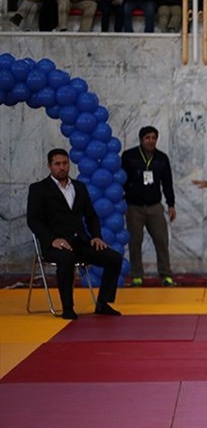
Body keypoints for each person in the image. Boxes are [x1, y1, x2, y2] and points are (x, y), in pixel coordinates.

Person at [26, 148, 123, 320]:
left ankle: (103, 303)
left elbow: (91, 215)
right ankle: (68, 307)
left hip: (80, 243)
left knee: (114, 258)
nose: (62, 167)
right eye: (57, 164)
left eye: (65, 163)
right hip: (54, 245)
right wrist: (52, 239)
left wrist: (96, 236)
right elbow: (33, 220)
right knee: (67, 259)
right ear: (50, 166)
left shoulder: (79, 187)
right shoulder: (39, 189)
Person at [121, 126, 177, 287]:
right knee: (135, 242)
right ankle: (137, 275)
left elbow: (167, 183)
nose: (151, 141)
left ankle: (166, 274)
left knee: (161, 240)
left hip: (155, 207)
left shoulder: (162, 158)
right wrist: (122, 203)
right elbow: (121, 181)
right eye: (147, 138)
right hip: (134, 207)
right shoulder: (129, 156)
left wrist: (171, 204)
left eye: (153, 138)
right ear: (141, 139)